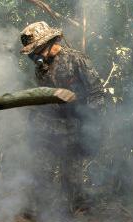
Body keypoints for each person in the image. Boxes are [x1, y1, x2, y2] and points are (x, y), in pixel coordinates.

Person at [20, 21, 104, 210]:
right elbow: (43, 97)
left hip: (76, 127)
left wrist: (89, 124)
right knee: (40, 170)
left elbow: (97, 93)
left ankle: (77, 219)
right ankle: (39, 213)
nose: (34, 57)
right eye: (31, 53)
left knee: (71, 179)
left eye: (36, 51)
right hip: (50, 129)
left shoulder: (76, 60)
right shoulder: (40, 68)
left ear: (48, 42)